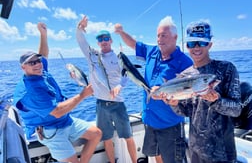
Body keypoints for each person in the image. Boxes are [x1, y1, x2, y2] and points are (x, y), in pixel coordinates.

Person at [13, 22, 102, 163]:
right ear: (23, 67)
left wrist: (43, 34)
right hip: (50, 129)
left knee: (96, 133)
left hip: (66, 121)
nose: (37, 64)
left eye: (38, 61)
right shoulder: (29, 91)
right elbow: (57, 111)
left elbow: (43, 55)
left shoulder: (40, 71)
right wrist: (83, 95)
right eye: (32, 63)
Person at [114, 16, 193, 163]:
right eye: (158, 35)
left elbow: (190, 96)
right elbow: (133, 44)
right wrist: (121, 32)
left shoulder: (185, 62)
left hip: (170, 124)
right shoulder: (152, 51)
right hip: (149, 120)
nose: (159, 39)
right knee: (156, 155)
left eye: (164, 35)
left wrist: (168, 94)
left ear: (175, 37)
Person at [166, 20, 242, 163]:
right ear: (186, 46)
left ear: (210, 44)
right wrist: (174, 103)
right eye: (191, 43)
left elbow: (237, 110)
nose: (196, 47)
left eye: (201, 43)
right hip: (196, 151)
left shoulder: (227, 69)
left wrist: (217, 101)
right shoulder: (184, 76)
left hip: (223, 153)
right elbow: (185, 111)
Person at [76, 16, 137, 163]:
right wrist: (79, 29)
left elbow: (127, 73)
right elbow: (81, 41)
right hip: (101, 104)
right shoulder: (93, 56)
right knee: (106, 138)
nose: (103, 41)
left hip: (118, 103)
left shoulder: (118, 57)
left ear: (111, 41)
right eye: (100, 39)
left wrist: (119, 86)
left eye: (106, 38)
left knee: (128, 136)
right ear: (97, 42)